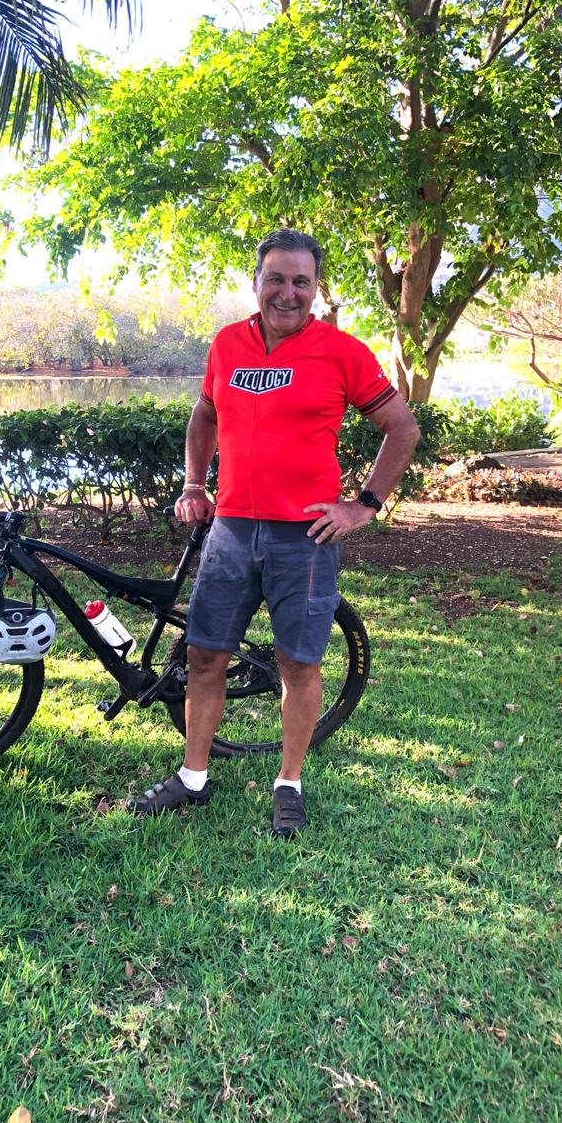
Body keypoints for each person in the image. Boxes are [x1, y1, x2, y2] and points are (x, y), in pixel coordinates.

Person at [128, 228, 421, 836]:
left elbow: (402, 428)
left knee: (298, 665)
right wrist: (193, 484)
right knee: (205, 656)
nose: (287, 292)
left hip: (304, 540)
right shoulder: (227, 344)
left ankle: (288, 783)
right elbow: (206, 412)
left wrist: (362, 505)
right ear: (256, 282)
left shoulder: (342, 352)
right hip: (231, 532)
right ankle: (192, 778)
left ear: (315, 289)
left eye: (301, 281)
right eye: (276, 279)